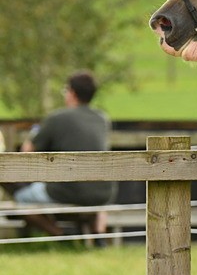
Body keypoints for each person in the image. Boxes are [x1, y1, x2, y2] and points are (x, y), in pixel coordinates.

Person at [10, 71, 117, 236]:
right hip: (103, 192)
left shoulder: (57, 118)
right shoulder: (102, 118)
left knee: (21, 198)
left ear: (72, 92)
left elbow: (27, 151)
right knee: (92, 199)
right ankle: (98, 236)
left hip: (68, 191)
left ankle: (59, 234)